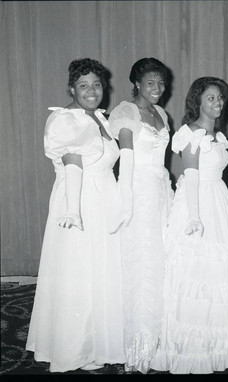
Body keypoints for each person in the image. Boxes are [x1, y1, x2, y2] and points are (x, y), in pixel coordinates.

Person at [26, 58, 126, 372]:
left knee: (102, 270)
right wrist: (73, 210)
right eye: (83, 85)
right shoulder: (65, 120)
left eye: (97, 84)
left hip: (104, 196)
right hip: (79, 199)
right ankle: (76, 348)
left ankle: (101, 341)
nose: (92, 91)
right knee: (80, 271)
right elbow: (72, 165)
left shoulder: (101, 118)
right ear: (71, 88)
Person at [151, 77, 228, 374]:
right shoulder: (192, 134)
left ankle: (220, 347)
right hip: (198, 203)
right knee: (197, 271)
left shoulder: (218, 137)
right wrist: (194, 217)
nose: (217, 103)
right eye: (210, 98)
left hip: (218, 200)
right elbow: (192, 176)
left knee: (222, 271)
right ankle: (192, 349)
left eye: (220, 98)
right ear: (197, 101)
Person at [108, 58, 174, 374]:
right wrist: (126, 205)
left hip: (162, 190)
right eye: (150, 83)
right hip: (139, 191)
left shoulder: (161, 114)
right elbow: (128, 161)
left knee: (161, 263)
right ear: (136, 83)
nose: (157, 89)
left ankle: (159, 340)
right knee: (143, 265)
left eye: (161, 83)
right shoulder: (126, 113)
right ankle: (138, 348)